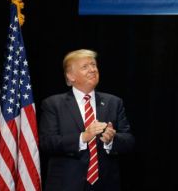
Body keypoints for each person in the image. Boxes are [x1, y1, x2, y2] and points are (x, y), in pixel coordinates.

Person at [39, 49, 135, 191]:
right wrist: (83, 137)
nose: (92, 70)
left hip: (106, 185)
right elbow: (48, 143)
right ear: (70, 76)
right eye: (85, 67)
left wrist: (112, 140)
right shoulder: (53, 104)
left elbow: (129, 140)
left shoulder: (113, 102)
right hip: (66, 185)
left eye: (94, 65)